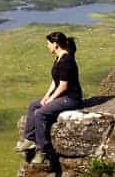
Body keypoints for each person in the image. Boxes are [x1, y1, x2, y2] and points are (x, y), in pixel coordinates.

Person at [15, 30, 83, 164]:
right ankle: (29, 139)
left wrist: (51, 100)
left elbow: (63, 86)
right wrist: (45, 97)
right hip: (61, 96)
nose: (47, 46)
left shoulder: (66, 61)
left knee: (40, 113)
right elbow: (55, 82)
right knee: (34, 105)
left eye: (48, 44)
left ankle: (43, 150)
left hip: (71, 98)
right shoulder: (58, 59)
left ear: (56, 44)